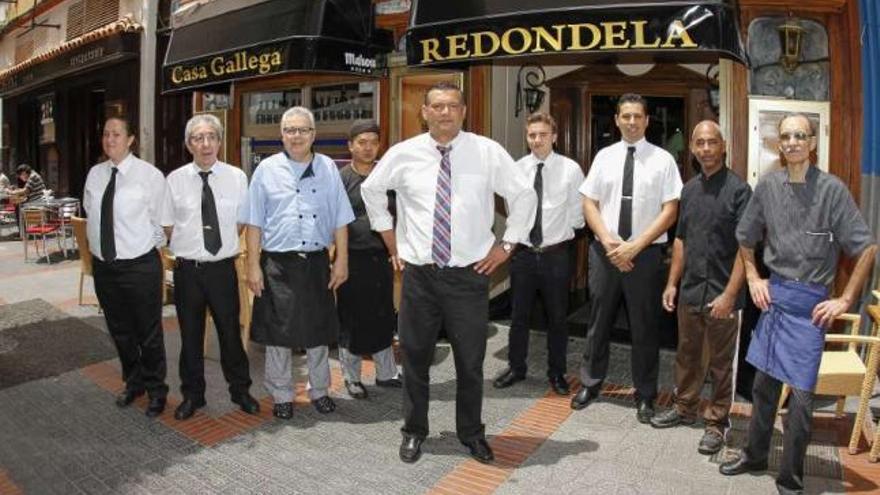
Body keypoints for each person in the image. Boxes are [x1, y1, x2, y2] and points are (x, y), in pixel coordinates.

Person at [361, 81, 537, 465]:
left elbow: (524, 195)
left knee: (471, 362)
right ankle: (413, 431)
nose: (445, 113)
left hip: (468, 278)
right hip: (419, 277)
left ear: (463, 111)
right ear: (424, 112)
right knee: (416, 357)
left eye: (453, 106)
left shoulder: (487, 152)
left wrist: (507, 246)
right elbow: (372, 190)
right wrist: (391, 241)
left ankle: (471, 433)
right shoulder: (403, 154)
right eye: (437, 106)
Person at [720, 113, 877, 494]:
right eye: (786, 136)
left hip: (810, 308)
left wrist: (845, 298)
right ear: (779, 144)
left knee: (802, 402)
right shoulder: (768, 187)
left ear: (812, 143)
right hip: (774, 300)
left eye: (800, 136)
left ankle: (790, 479)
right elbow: (745, 236)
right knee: (762, 388)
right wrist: (754, 277)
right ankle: (756, 455)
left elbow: (867, 247)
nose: (792, 142)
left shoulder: (833, 190)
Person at [571, 93, 682, 424]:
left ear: (647, 120)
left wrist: (635, 246)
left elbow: (671, 210)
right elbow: (589, 202)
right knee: (598, 322)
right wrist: (608, 241)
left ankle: (646, 394)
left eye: (638, 116)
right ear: (617, 120)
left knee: (645, 327)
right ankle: (591, 383)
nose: (632, 121)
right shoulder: (603, 157)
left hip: (645, 256)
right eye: (626, 116)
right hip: (605, 253)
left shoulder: (663, 160)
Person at [242, 106, 354, 420]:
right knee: (278, 335)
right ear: (282, 135)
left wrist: (341, 260)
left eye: (302, 130)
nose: (296, 136)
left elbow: (341, 220)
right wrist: (252, 266)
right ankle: (281, 394)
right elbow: (254, 222)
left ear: (313, 135)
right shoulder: (266, 169)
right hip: (277, 264)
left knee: (318, 331)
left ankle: (319, 390)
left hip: (317, 262)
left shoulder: (328, 168)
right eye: (290, 130)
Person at [649, 121, 751, 455]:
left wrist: (730, 295)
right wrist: (671, 284)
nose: (706, 148)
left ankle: (717, 424)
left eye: (712, 142)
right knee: (687, 355)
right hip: (691, 290)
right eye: (700, 143)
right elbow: (680, 240)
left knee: (722, 365)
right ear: (692, 148)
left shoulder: (739, 191)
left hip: (724, 292)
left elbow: (744, 249)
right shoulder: (688, 190)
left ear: (723, 146)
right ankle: (684, 407)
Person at [161, 114, 259, 420]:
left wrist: (219, 247)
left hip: (221, 270)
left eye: (211, 137)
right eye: (198, 138)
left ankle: (241, 391)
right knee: (190, 336)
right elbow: (167, 226)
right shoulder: (174, 180)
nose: (205, 144)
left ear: (219, 140)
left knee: (230, 332)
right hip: (188, 270)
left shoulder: (237, 177)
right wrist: (192, 246)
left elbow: (242, 221)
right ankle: (193, 395)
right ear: (189, 144)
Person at [493, 112, 584, 395]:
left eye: (543, 134)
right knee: (518, 315)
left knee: (557, 318)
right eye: (532, 135)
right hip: (522, 256)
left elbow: (578, 216)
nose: (537, 140)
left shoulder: (570, 169)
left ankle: (557, 373)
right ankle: (516, 367)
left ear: (554, 136)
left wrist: (556, 236)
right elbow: (512, 212)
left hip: (555, 255)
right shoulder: (517, 169)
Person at [83, 116, 169, 417]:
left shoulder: (150, 176)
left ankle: (157, 390)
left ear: (131, 139)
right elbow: (91, 214)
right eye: (105, 134)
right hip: (105, 267)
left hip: (140, 266)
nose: (109, 140)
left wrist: (143, 250)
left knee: (148, 332)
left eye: (116, 134)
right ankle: (134, 383)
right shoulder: (95, 174)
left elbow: (161, 224)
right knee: (120, 331)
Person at [337, 119, 402, 399]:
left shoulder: (388, 177)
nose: (367, 148)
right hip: (350, 258)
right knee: (350, 318)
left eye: (373, 143)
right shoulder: (340, 179)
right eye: (361, 142)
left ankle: (386, 373)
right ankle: (351, 378)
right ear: (351, 145)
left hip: (382, 258)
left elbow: (402, 215)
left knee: (383, 314)